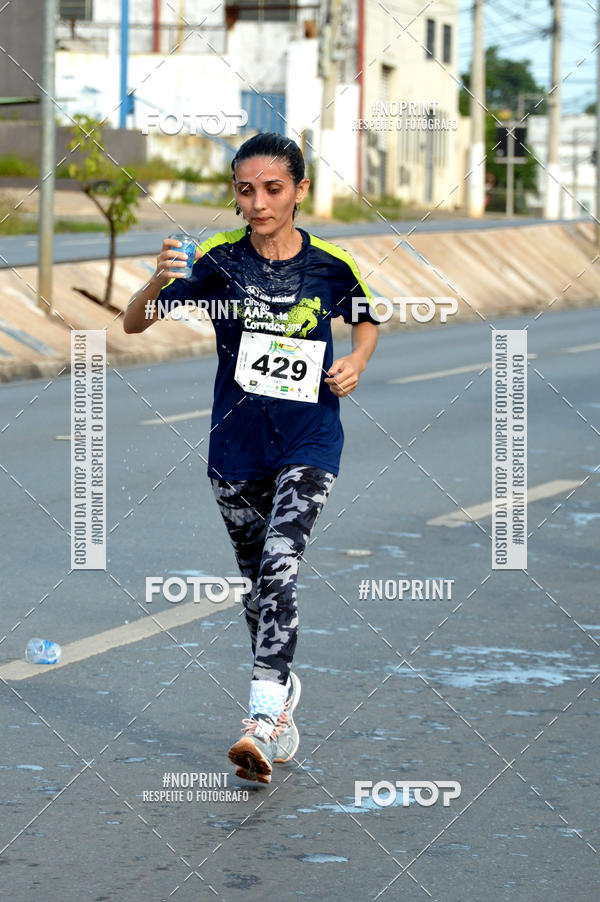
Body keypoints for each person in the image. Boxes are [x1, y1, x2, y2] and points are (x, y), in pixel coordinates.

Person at [123, 132, 379, 784]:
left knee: (280, 563)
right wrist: (160, 275)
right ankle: (283, 694)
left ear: (299, 190)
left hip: (308, 440)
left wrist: (356, 360)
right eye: (246, 189)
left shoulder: (330, 261)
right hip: (236, 448)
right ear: (235, 195)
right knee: (258, 586)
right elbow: (134, 322)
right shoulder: (216, 261)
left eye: (272, 188)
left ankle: (260, 719)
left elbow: (364, 317)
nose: (259, 201)